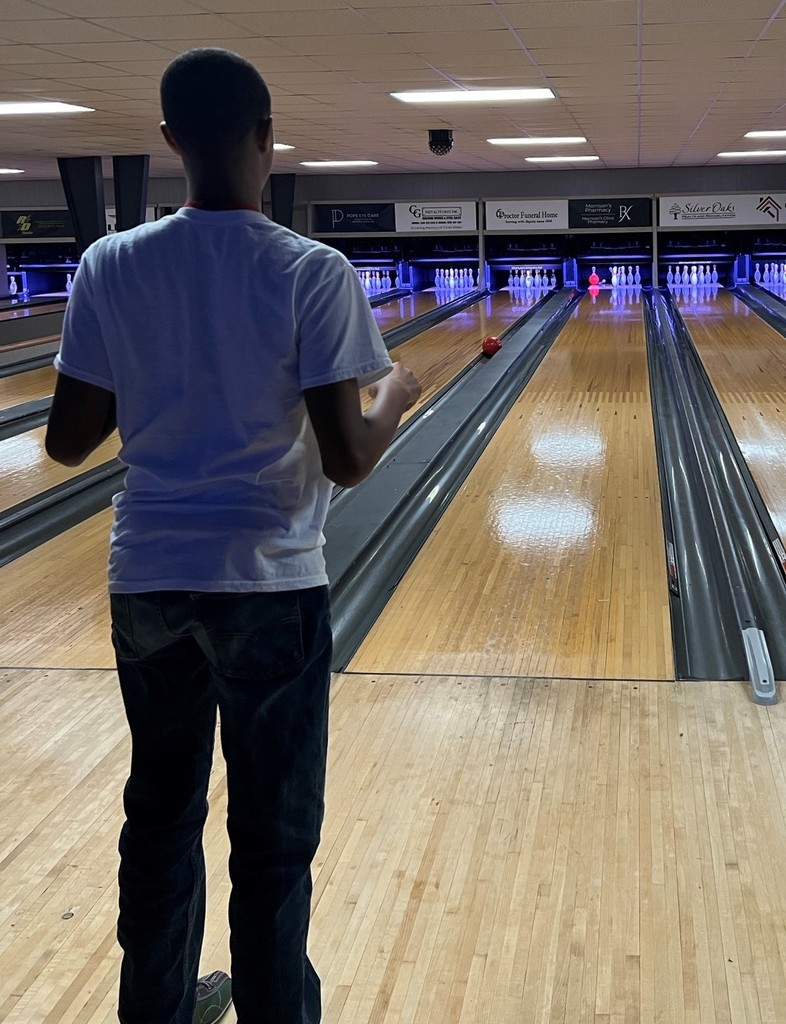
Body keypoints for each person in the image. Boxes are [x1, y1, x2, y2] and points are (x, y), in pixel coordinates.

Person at [45, 47, 421, 1024]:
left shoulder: (110, 263)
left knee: (160, 818)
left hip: (150, 581)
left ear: (169, 140)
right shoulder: (311, 270)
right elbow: (348, 457)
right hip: (270, 583)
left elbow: (69, 441)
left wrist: (157, 367)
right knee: (274, 839)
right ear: (268, 138)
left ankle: (158, 1008)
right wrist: (397, 395)